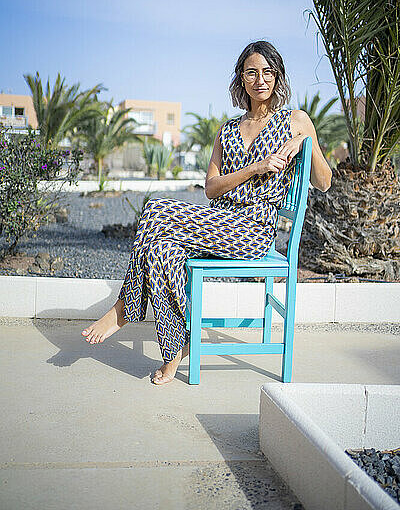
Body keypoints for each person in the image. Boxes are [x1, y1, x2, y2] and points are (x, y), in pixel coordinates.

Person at [81, 40, 332, 385]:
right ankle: (176, 348)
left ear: (278, 77)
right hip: (220, 221)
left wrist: (309, 141)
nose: (260, 80)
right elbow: (212, 188)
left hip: (253, 231)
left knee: (156, 208)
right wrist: (255, 168)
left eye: (268, 73)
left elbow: (324, 181)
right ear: (241, 79)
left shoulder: (296, 120)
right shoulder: (227, 130)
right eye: (251, 73)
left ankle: (123, 310)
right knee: (160, 248)